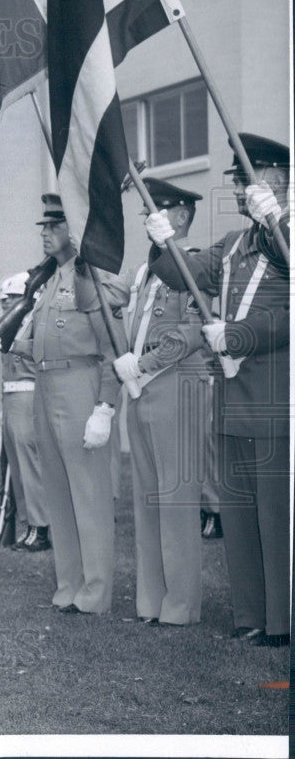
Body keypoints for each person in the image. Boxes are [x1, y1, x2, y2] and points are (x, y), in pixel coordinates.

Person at [144, 133, 290, 647]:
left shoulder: (287, 238)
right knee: (240, 511)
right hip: (231, 397)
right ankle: (250, 614)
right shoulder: (232, 246)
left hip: (275, 395)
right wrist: (161, 241)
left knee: (276, 515)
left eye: (250, 179)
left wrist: (237, 335)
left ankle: (283, 620)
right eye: (238, 181)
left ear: (279, 182)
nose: (242, 190)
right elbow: (183, 275)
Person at [0, 195, 118, 613]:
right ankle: (69, 585)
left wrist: (105, 407)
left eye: (53, 225)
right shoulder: (49, 282)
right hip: (45, 385)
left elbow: (113, 348)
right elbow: (46, 340)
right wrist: (10, 342)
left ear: (74, 230)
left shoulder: (89, 278)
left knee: (88, 494)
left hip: (80, 383)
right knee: (58, 493)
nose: (44, 232)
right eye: (44, 226)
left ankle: (95, 591)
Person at [107, 178, 211, 626]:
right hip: (142, 388)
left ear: (182, 216)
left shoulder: (195, 267)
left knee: (176, 500)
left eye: (161, 212)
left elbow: (191, 332)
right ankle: (150, 601)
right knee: (148, 499)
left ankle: (180, 605)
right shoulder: (147, 271)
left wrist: (144, 364)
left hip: (176, 385)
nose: (151, 222)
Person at [0, 273, 50, 552]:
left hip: (29, 393)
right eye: (4, 299)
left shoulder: (36, 320)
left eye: (13, 298)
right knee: (17, 466)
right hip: (12, 395)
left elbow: (42, 350)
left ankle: (40, 527)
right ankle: (29, 523)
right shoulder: (15, 324)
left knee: (30, 464)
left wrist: (13, 344)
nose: (6, 303)